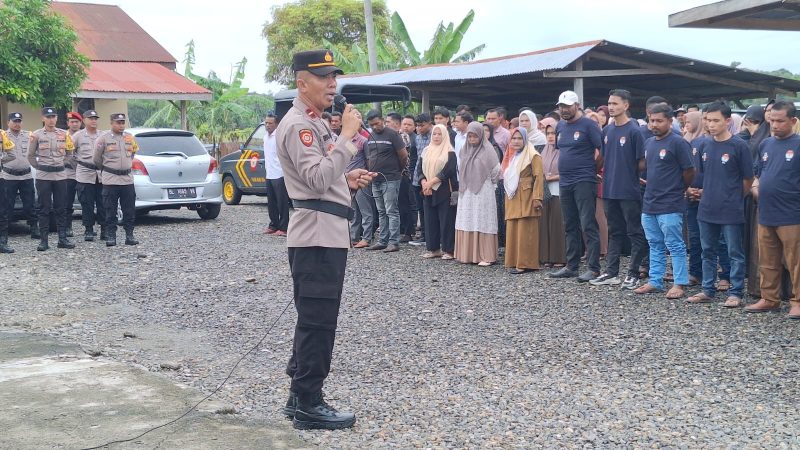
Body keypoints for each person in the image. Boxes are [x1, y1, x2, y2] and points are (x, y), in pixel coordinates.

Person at [275, 49, 375, 430]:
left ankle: (296, 395)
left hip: (325, 231)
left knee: (313, 317)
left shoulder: (314, 122)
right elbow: (316, 179)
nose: (333, 83)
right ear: (302, 83)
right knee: (318, 322)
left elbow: (317, 178)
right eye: (324, 77)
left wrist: (345, 179)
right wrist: (348, 137)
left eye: (334, 76)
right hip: (316, 237)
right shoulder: (300, 125)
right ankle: (308, 402)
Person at [686, 103, 753, 307]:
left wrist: (732, 196)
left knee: (734, 251)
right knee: (707, 250)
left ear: (727, 121)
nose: (711, 124)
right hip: (706, 207)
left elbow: (748, 179)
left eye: (715, 120)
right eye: (708, 120)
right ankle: (707, 289)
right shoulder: (704, 145)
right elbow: (702, 175)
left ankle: (736, 291)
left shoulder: (739, 145)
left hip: (730, 208)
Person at [744, 101, 800, 317]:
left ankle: (797, 301)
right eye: (772, 120)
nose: (774, 125)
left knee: (795, 261)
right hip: (766, 212)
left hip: (792, 214)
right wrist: (756, 187)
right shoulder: (766, 144)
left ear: (793, 121)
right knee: (767, 260)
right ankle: (769, 298)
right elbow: (758, 172)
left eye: (780, 121)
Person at [634, 104, 695, 299]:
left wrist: (678, 188)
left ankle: (679, 283)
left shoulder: (678, 142)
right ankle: (655, 280)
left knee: (675, 244)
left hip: (670, 202)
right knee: (654, 243)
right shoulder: (649, 143)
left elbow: (689, 171)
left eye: (659, 121)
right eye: (652, 120)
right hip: (650, 201)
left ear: (670, 121)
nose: (654, 124)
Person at [590, 89, 647, 289]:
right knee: (614, 231)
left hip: (629, 190)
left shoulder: (634, 131)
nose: (611, 107)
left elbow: (642, 162)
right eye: (610, 103)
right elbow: (603, 158)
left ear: (626, 105)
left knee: (634, 231)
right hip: (609, 189)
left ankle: (633, 273)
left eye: (615, 103)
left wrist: (628, 173)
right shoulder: (607, 131)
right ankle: (612, 272)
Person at [549, 91, 603, 282]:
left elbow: (601, 150)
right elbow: (561, 150)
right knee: (569, 223)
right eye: (561, 106)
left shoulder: (589, 125)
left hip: (584, 180)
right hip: (565, 181)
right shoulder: (561, 126)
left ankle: (594, 268)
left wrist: (592, 169)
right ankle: (571, 266)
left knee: (587, 223)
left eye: (567, 106)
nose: (563, 110)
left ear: (577, 105)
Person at [28, 107, 76, 251]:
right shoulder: (36, 135)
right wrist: (41, 167)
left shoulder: (63, 134)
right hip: (44, 176)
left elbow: (70, 152)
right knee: (43, 208)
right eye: (48, 117)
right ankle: (44, 241)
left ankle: (62, 239)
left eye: (53, 116)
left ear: (56, 118)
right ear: (43, 118)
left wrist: (64, 162)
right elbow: (30, 156)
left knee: (61, 207)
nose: (51, 119)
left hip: (60, 176)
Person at [454, 122, 500, 266]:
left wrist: (491, 184)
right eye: (470, 136)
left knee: (482, 219)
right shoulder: (464, 149)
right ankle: (467, 254)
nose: (472, 139)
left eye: (475, 136)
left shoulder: (488, 150)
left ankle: (485, 255)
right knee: (467, 218)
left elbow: (496, 171)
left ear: (481, 136)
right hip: (466, 191)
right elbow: (460, 167)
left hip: (484, 190)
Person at [363, 110, 407, 253]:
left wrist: (398, 171)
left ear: (382, 120)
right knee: (381, 211)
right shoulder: (371, 136)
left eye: (377, 123)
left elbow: (403, 156)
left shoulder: (393, 134)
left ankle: (394, 242)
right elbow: (370, 156)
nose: (375, 127)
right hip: (376, 178)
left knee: (391, 210)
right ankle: (382, 240)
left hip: (391, 178)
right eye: (371, 125)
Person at [93, 113, 139, 247]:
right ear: (111, 123)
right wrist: (109, 168)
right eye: (118, 122)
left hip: (127, 180)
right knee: (110, 209)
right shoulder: (103, 139)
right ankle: (111, 236)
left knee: (129, 209)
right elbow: (97, 159)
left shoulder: (130, 138)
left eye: (123, 122)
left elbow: (133, 153)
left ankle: (129, 235)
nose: (121, 125)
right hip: (111, 180)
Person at [502, 127, 544, 273]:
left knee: (526, 229)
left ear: (525, 139)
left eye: (520, 138)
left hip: (527, 195)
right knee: (514, 228)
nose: (516, 141)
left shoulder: (533, 155)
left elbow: (539, 177)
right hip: (514, 196)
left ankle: (526, 263)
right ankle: (514, 261)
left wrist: (537, 197)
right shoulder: (513, 156)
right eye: (513, 138)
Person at [419, 124, 458, 259]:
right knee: (430, 220)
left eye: (439, 134)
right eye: (434, 134)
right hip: (428, 190)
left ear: (445, 135)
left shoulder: (450, 152)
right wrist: (424, 182)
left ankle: (448, 250)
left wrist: (431, 182)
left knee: (446, 220)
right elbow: (419, 169)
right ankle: (433, 248)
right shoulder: (426, 150)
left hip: (444, 190)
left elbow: (448, 170)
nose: (436, 136)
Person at [72, 110, 106, 241]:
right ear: (84, 120)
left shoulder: (103, 135)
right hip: (84, 174)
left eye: (95, 118)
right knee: (87, 204)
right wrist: (79, 167)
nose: (93, 121)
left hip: (101, 174)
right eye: (90, 118)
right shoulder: (77, 136)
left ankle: (104, 229)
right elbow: (69, 154)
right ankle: (89, 229)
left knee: (103, 203)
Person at [3, 112, 38, 241]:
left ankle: (34, 228)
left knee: (30, 204)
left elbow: (35, 152)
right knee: (7, 205)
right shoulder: (3, 136)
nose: (17, 124)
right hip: (9, 175)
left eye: (19, 121)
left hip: (26, 175)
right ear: (8, 122)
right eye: (14, 121)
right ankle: (5, 231)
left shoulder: (29, 136)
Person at [684, 110, 707, 285]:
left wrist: (706, 191)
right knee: (694, 236)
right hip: (691, 195)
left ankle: (722, 275)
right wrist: (688, 189)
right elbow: (688, 170)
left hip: (711, 196)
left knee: (716, 239)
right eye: (706, 119)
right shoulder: (692, 143)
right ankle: (695, 271)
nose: (708, 123)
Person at [538, 118, 566, 267]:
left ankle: (560, 257)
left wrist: (552, 177)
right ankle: (546, 256)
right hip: (546, 191)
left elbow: (568, 171)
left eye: (553, 133)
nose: (550, 136)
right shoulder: (544, 150)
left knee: (558, 225)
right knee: (545, 224)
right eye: (548, 133)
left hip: (559, 190)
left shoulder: (564, 150)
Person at [262, 113, 290, 237]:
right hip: (269, 173)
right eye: (266, 123)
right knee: (271, 202)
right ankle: (273, 224)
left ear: (276, 124)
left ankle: (284, 227)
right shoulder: (265, 137)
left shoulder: (279, 136)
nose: (267, 125)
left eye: (270, 123)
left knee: (282, 202)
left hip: (280, 174)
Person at [483, 122, 506, 250]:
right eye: (482, 130)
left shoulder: (494, 147)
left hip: (493, 184)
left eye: (487, 130)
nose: (484, 133)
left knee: (495, 213)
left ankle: (498, 242)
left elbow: (495, 169)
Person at [411, 114, 433, 246]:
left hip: (430, 178)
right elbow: (414, 158)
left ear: (429, 124)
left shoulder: (434, 137)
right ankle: (424, 235)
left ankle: (432, 235)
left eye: (422, 125)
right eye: (418, 125)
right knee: (420, 208)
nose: (419, 128)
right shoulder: (417, 138)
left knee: (429, 209)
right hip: (416, 178)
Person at [64, 111, 83, 237]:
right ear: (68, 123)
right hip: (68, 173)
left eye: (76, 122)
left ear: (80, 123)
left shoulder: (85, 135)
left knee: (86, 202)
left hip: (84, 173)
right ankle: (67, 227)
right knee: (67, 202)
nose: (74, 124)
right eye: (72, 122)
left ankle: (89, 228)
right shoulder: (62, 136)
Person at [0, 127, 16, 253]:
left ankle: (2, 243)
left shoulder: (2, 134)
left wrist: (1, 160)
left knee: (2, 212)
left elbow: (11, 154)